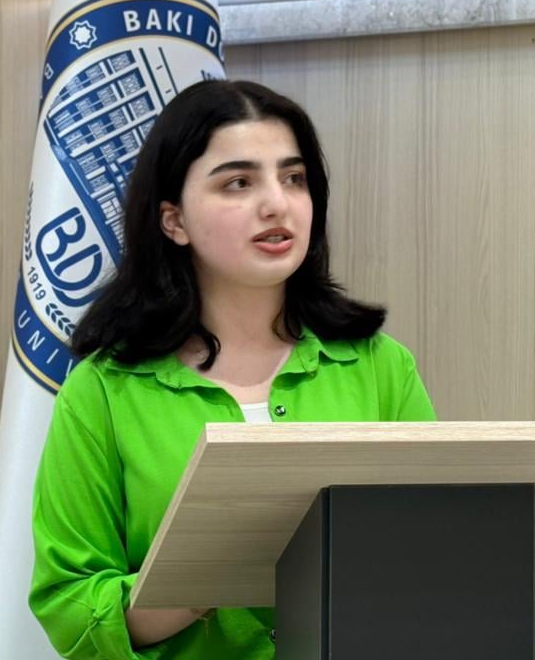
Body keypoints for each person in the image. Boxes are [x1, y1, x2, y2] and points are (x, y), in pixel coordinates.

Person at [29, 79, 436, 660]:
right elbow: (69, 607)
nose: (276, 203)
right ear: (174, 220)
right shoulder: (104, 390)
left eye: (293, 178)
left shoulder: (379, 365)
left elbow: (436, 550)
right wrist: (206, 574)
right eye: (239, 182)